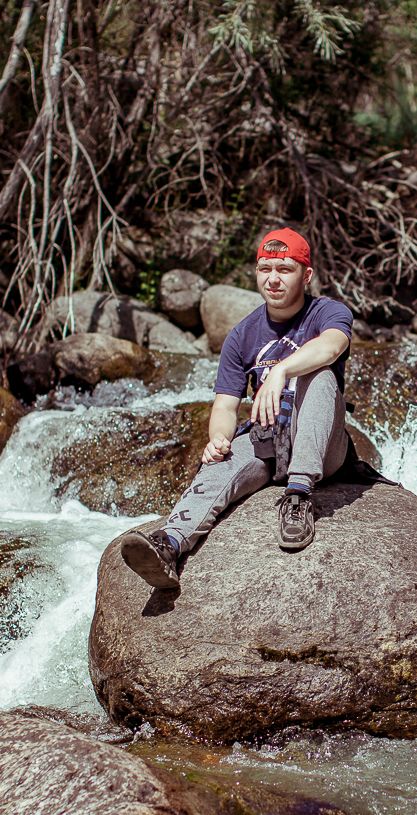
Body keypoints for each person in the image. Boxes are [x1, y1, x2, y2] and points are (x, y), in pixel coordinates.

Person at [119, 227, 353, 592]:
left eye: (285, 269)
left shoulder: (328, 312)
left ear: (306, 275)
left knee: (320, 375)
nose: (273, 279)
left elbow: (332, 347)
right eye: (265, 269)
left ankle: (298, 497)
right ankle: (169, 545)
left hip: (323, 446)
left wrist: (281, 370)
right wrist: (217, 438)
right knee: (219, 464)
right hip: (267, 440)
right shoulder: (242, 335)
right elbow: (226, 407)